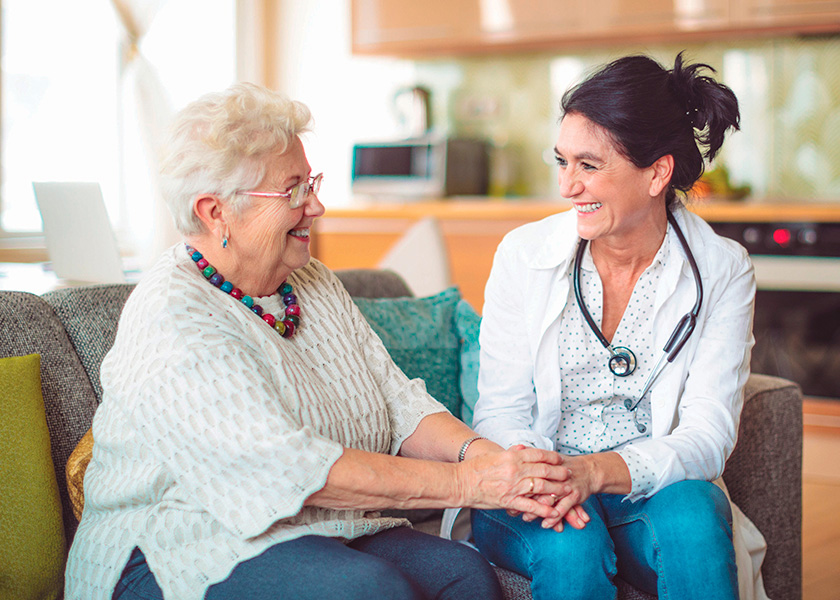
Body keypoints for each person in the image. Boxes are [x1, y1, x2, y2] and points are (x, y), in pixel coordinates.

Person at [63, 83, 583, 600]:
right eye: (292, 191)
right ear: (214, 211)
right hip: (179, 541)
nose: (316, 206)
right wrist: (474, 485)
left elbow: (398, 402)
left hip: (318, 524)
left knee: (463, 575)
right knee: (368, 591)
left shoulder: (310, 281)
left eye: (311, 182)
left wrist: (496, 460)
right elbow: (295, 472)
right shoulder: (174, 317)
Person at [469, 53, 768, 600]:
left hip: (642, 485)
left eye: (589, 165)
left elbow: (707, 435)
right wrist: (556, 479)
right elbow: (500, 412)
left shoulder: (721, 269)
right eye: (561, 161)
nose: (567, 186)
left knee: (696, 512)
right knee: (570, 543)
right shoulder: (523, 254)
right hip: (534, 484)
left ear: (657, 172)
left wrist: (598, 472)